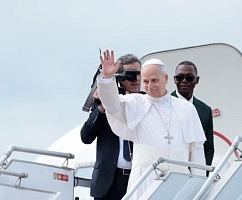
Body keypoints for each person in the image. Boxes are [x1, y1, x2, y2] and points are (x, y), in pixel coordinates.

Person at [97, 50, 206, 199]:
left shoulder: (187, 108)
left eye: (154, 80)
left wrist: (199, 186)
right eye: (146, 81)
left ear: (166, 78)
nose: (149, 86)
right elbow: (112, 105)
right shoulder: (134, 103)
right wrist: (108, 79)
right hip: (145, 178)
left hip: (179, 178)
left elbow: (197, 151)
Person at [80, 54, 142, 200]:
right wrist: (101, 107)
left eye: (139, 74)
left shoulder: (146, 102)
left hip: (137, 177)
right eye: (131, 74)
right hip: (109, 181)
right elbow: (86, 137)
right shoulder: (107, 101)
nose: (137, 79)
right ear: (120, 77)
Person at [171, 61, 214, 170]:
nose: (184, 81)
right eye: (180, 77)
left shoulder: (205, 110)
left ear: (197, 80)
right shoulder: (164, 104)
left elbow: (208, 148)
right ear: (174, 79)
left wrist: (202, 172)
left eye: (189, 78)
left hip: (196, 172)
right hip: (170, 170)